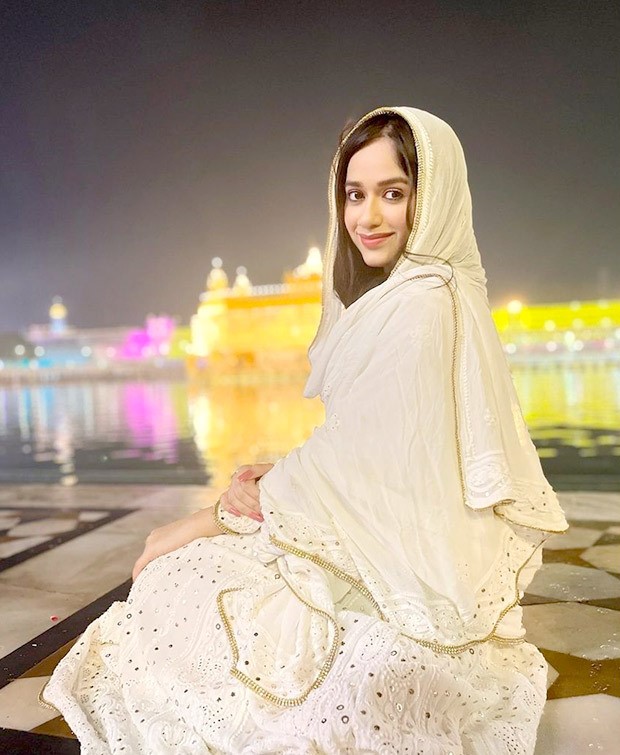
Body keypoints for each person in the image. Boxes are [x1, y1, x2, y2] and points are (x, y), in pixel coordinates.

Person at [42, 106, 568, 754]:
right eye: (355, 194)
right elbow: (372, 447)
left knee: (175, 575)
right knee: (187, 571)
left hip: (401, 572)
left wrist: (206, 517)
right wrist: (284, 475)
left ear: (430, 198)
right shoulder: (423, 288)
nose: (367, 216)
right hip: (398, 539)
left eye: (393, 193)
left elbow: (355, 459)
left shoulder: (421, 302)